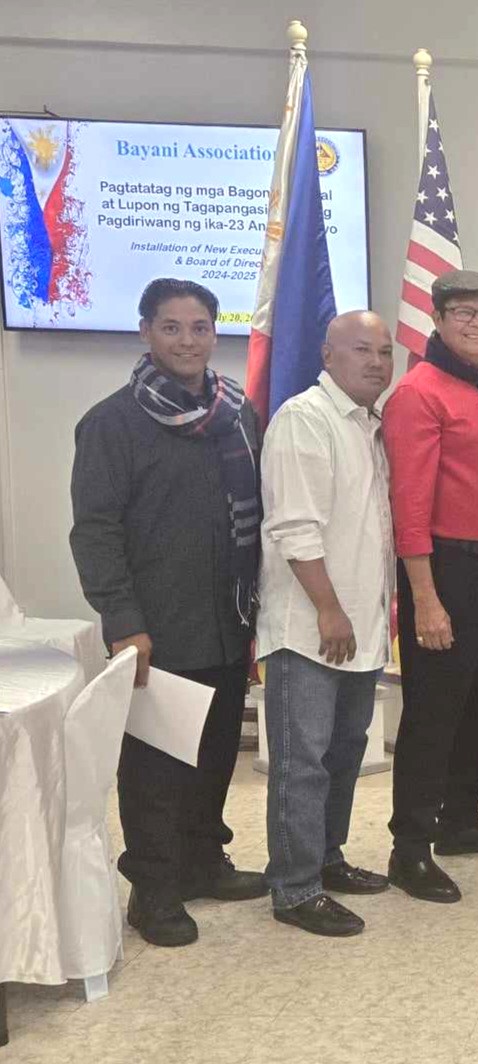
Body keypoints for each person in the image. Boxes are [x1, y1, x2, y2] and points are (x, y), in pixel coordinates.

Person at [69, 278, 267, 947]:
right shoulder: (111, 423)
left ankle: (203, 861)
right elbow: (94, 532)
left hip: (228, 617)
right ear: (146, 331)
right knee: (156, 765)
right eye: (172, 327)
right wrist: (125, 622)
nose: (188, 340)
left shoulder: (238, 414)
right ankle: (153, 889)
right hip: (155, 627)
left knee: (214, 755)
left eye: (200, 327)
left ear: (216, 333)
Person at [384, 270, 478, 904]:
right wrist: (425, 596)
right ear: (437, 319)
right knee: (433, 711)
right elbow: (410, 504)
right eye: (463, 312)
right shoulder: (420, 392)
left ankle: (461, 819)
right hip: (443, 566)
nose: (477, 323)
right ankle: (409, 847)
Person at [257, 311, 398, 936]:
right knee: (302, 762)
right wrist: (329, 607)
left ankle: (327, 858)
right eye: (361, 349)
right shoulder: (304, 420)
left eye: (384, 352)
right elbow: (294, 526)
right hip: (313, 628)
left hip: (359, 629)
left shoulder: (368, 426)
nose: (375, 362)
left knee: (343, 755)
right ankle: (293, 887)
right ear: (328, 354)